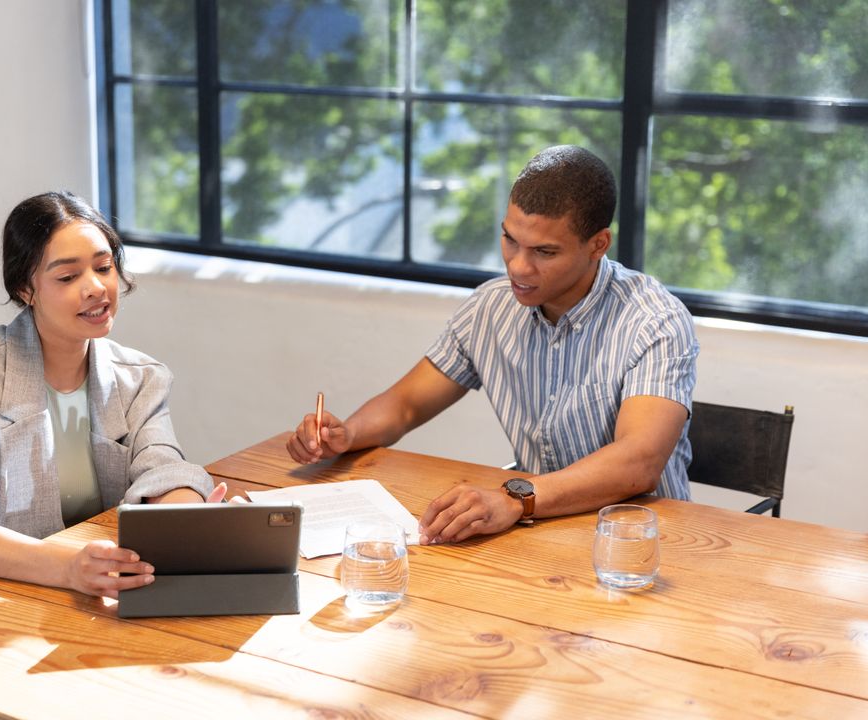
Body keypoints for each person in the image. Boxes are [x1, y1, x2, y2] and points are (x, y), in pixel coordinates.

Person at [287, 145, 698, 546]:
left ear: (598, 244)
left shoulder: (654, 320)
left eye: (544, 251)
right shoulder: (491, 306)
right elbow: (405, 405)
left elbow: (638, 462)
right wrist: (347, 433)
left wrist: (514, 498)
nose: (518, 266)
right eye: (510, 240)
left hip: (637, 544)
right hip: (536, 534)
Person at [0, 191, 225, 597]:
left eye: (104, 267)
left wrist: (187, 512)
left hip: (79, 592)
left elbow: (162, 468)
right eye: (68, 277)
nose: (96, 288)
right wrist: (68, 568)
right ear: (25, 289)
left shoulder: (139, 377)